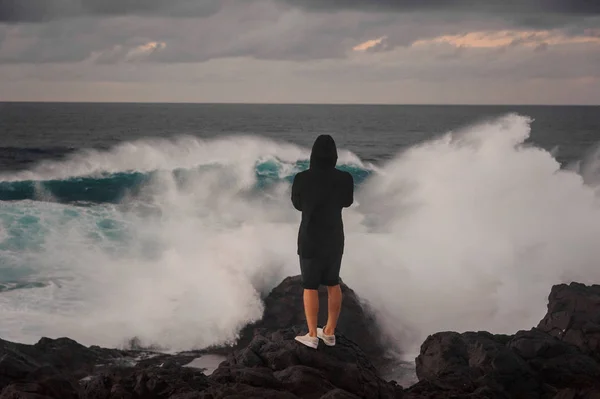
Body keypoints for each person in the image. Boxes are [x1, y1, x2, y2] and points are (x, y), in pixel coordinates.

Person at [291, 134, 354, 349]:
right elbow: (347, 202)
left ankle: (311, 334)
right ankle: (329, 332)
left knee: (309, 286)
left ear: (313, 155)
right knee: (332, 283)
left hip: (310, 237)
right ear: (335, 156)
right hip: (335, 237)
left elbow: (297, 205)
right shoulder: (345, 178)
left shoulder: (301, 178)